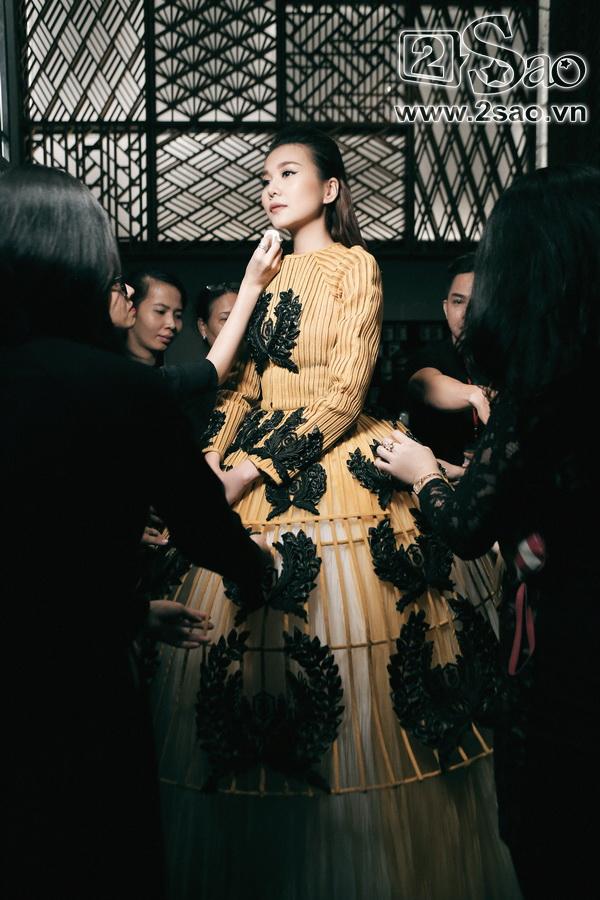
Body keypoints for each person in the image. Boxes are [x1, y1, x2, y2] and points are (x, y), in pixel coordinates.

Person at [152, 126, 519, 899]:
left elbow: (346, 390)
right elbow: (243, 383)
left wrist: (250, 469)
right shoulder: (267, 270)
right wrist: (212, 456)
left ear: (329, 189)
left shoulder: (357, 265)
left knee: (365, 661)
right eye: (265, 177)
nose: (271, 187)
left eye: (288, 172)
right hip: (251, 463)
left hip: (334, 459)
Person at [0, 163, 271, 899]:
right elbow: (206, 532)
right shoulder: (120, 389)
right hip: (73, 693)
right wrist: (260, 568)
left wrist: (128, 612)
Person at [374, 164, 600, 898]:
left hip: (564, 667)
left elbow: (470, 526)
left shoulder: (541, 388)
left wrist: (425, 475)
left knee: (554, 845)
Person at [406, 254, 491, 477]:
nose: (467, 313)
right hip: (434, 485)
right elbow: (426, 384)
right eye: (458, 301)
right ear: (446, 308)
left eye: (477, 302)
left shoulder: (504, 364)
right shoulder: (428, 357)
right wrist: (475, 395)